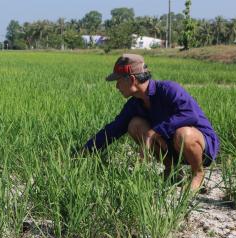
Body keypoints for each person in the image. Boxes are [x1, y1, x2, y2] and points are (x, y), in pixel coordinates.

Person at [82, 54, 219, 191]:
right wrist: (82, 153)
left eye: (118, 80)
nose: (117, 86)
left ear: (131, 79)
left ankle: (198, 173)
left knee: (184, 134)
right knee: (134, 124)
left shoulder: (169, 89)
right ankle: (172, 170)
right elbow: (112, 130)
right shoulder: (134, 104)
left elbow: (190, 115)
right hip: (171, 147)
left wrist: (154, 131)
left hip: (200, 146)